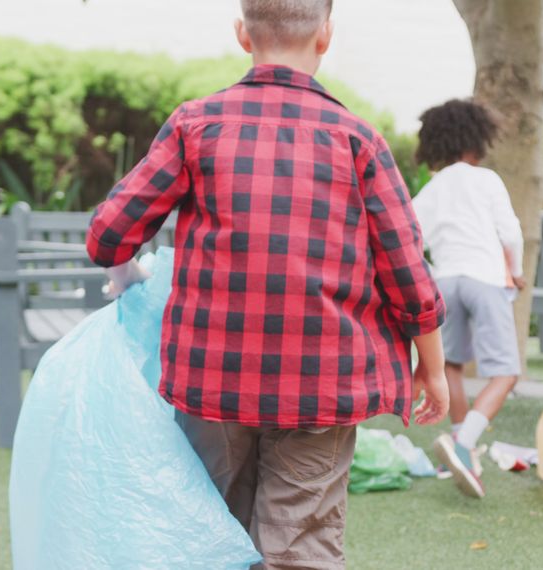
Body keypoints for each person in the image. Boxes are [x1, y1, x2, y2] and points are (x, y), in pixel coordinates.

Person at [86, 1, 449, 567]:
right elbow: (407, 272)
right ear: (325, 36)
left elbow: (109, 235)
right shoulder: (358, 139)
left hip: (212, 377)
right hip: (323, 380)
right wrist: (432, 366)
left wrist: (129, 271)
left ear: (242, 35)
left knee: (215, 537)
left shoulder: (194, 124)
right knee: (299, 546)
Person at [410, 99, 525, 499]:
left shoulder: (433, 187)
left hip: (444, 282)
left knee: (452, 366)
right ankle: (464, 444)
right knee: (506, 372)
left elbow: (412, 238)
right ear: (476, 140)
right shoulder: (486, 179)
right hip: (484, 278)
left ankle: (458, 451)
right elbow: (509, 232)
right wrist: (518, 270)